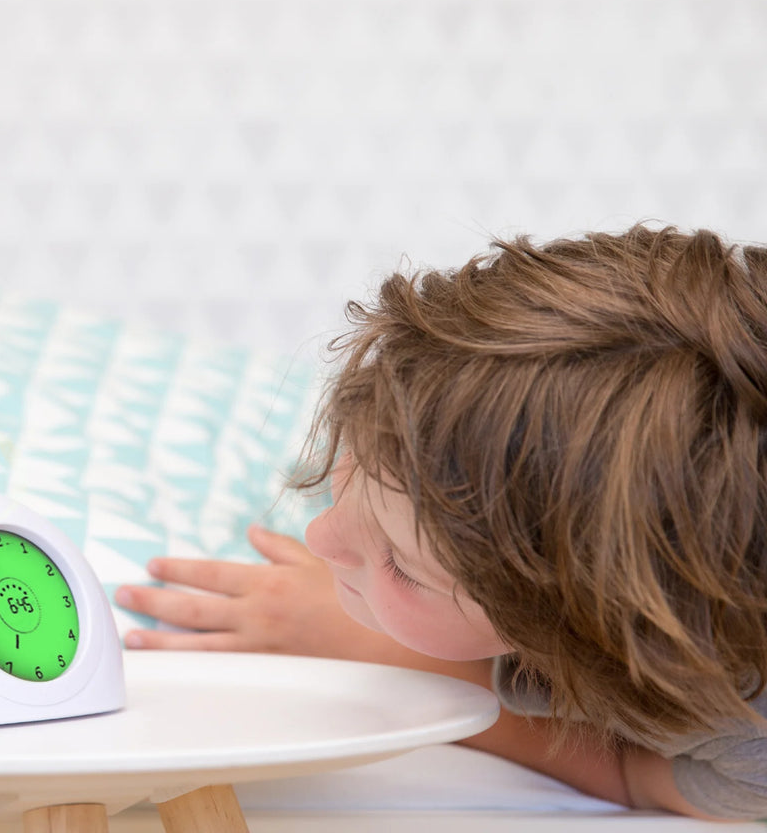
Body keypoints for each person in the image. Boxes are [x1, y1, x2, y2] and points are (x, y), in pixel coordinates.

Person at [114, 224, 767, 820]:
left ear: (595, 636)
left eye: (402, 565)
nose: (320, 537)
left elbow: (636, 774)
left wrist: (389, 656)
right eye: (356, 458)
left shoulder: (749, 739)